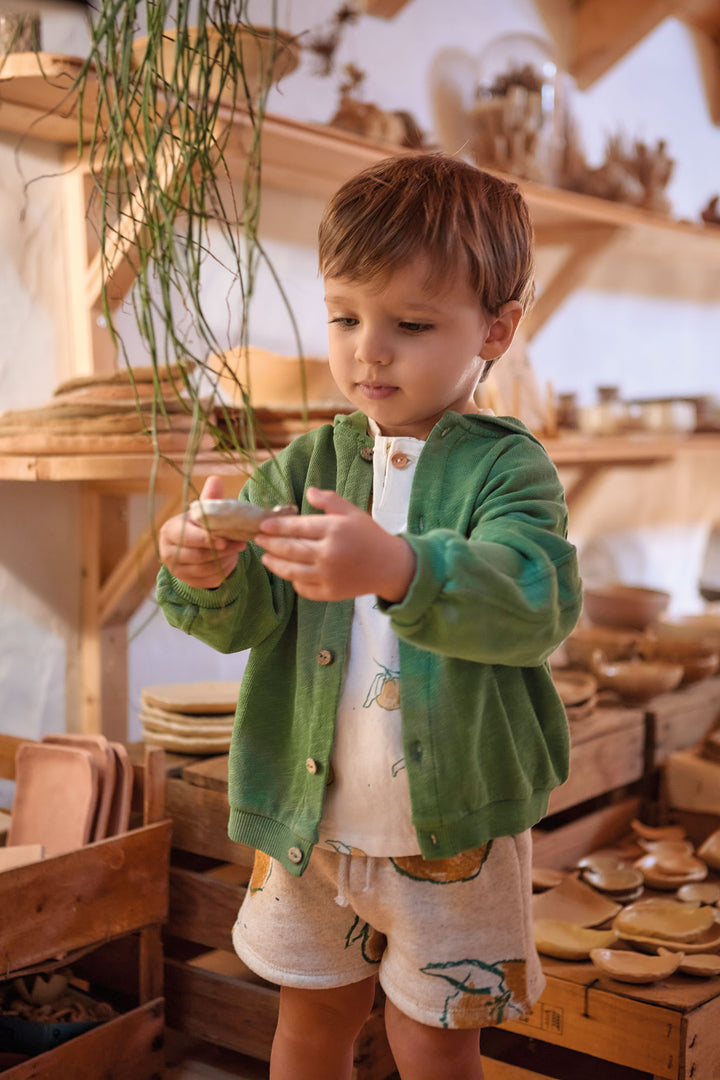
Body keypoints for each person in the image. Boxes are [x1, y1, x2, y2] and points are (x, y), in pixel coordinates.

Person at [157, 152, 582, 1080]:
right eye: (345, 317)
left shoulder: (507, 469)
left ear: (497, 329)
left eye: (411, 323)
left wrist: (396, 565)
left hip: (455, 835)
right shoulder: (306, 460)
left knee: (432, 1045)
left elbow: (537, 598)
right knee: (309, 1030)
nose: (367, 349)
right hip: (314, 825)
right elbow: (241, 618)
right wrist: (202, 567)